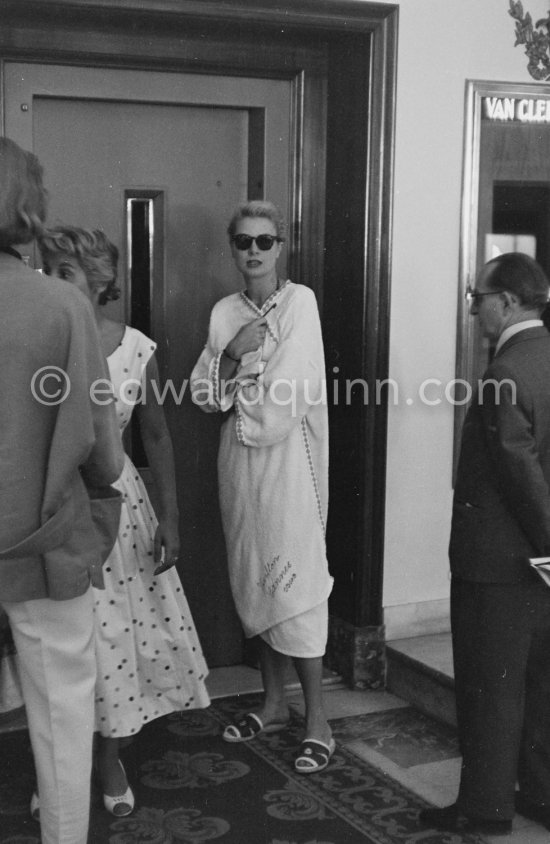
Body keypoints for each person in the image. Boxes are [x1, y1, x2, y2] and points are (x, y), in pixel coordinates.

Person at [38, 226, 210, 815]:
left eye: (63, 272)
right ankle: (57, 767)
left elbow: (157, 436)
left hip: (121, 511)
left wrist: (173, 519)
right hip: (57, 511)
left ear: (100, 279)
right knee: (64, 645)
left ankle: (108, 758)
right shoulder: (39, 339)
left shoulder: (136, 347)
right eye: (46, 269)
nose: (49, 282)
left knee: (123, 645)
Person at [0, 138, 124, 844]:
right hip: (41, 543)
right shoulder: (58, 306)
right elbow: (99, 448)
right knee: (62, 719)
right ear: (27, 205)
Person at [191, 200, 334, 773]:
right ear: (232, 248)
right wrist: (232, 352)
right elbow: (204, 394)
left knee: (296, 579)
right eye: (244, 241)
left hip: (286, 461)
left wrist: (237, 383)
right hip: (240, 465)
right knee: (254, 576)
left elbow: (289, 390)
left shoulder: (301, 303)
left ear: (281, 247)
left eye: (265, 242)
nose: (254, 251)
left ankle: (318, 719)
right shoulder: (224, 311)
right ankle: (274, 704)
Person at [420, 252, 550, 835]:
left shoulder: (505, 373)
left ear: (508, 301)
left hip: (497, 561)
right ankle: (541, 795)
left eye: (478, 299)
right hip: (538, 567)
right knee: (539, 684)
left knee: (489, 687)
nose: (475, 311)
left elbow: (519, 473)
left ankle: (486, 807)